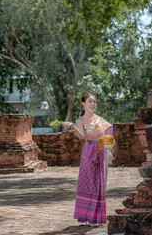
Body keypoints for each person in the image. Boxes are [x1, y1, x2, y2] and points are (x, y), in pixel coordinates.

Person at [61, 93, 114, 226]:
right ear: (83, 104)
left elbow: (107, 136)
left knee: (99, 183)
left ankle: (96, 217)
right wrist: (72, 127)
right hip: (88, 153)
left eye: (94, 102)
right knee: (89, 184)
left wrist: (109, 152)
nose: (93, 104)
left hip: (100, 151)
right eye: (90, 101)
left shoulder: (99, 119)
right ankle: (88, 216)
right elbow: (82, 137)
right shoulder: (81, 121)